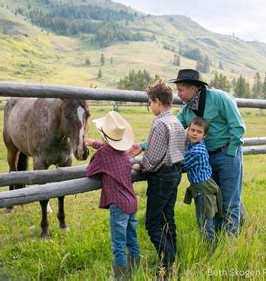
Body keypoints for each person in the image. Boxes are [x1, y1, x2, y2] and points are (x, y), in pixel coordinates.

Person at [169, 69, 246, 237]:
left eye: (181, 89)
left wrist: (231, 153)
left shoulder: (220, 98)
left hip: (227, 154)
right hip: (207, 160)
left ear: (194, 88)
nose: (178, 94)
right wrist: (144, 145)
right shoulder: (188, 110)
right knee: (214, 199)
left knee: (230, 202)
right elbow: (172, 129)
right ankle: (218, 238)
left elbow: (238, 126)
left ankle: (230, 245)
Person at [129, 81, 185, 277]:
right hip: (175, 173)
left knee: (152, 223)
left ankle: (167, 265)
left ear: (158, 101)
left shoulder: (159, 123)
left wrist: (141, 166)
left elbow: (153, 157)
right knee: (168, 217)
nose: (149, 106)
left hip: (161, 177)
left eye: (150, 103)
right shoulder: (176, 121)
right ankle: (173, 260)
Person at [84, 111, 139, 279]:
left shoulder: (102, 155)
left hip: (119, 205)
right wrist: (94, 143)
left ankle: (121, 277)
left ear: (104, 136)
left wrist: (95, 150)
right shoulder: (123, 153)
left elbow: (90, 172)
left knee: (118, 245)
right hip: (131, 202)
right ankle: (135, 271)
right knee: (132, 239)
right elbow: (110, 151)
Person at [182, 116, 222, 242]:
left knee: (205, 221)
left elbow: (182, 164)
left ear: (204, 135)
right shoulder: (193, 144)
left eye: (199, 132)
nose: (194, 133)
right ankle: (209, 244)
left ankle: (210, 249)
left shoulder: (197, 150)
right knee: (204, 218)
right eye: (192, 130)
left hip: (203, 189)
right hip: (201, 187)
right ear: (188, 130)